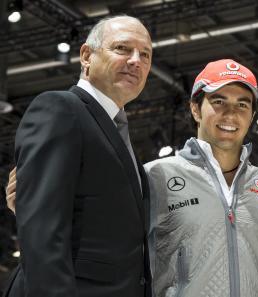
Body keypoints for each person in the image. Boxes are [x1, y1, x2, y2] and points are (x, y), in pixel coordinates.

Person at [3, 15, 153, 297]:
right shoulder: (61, 109)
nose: (137, 61)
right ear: (86, 55)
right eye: (122, 48)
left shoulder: (116, 130)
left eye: (145, 54)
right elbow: (42, 228)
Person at [144, 59, 258, 297]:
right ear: (195, 109)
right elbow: (124, 262)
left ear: (252, 116)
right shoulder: (155, 175)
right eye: (219, 102)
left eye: (242, 105)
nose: (231, 114)